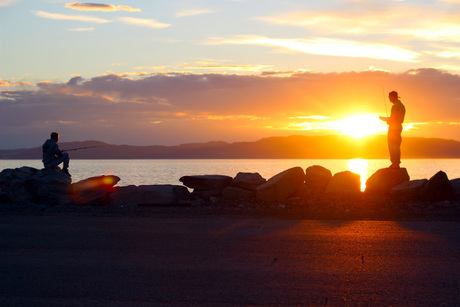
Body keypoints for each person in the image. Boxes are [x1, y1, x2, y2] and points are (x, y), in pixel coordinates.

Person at [379, 91, 406, 170]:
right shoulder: (402, 106)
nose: (389, 100)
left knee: (392, 145)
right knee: (396, 146)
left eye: (390, 98)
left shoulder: (395, 106)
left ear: (393, 97)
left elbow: (393, 118)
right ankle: (396, 163)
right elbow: (397, 118)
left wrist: (383, 119)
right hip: (398, 127)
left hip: (394, 128)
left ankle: (395, 163)